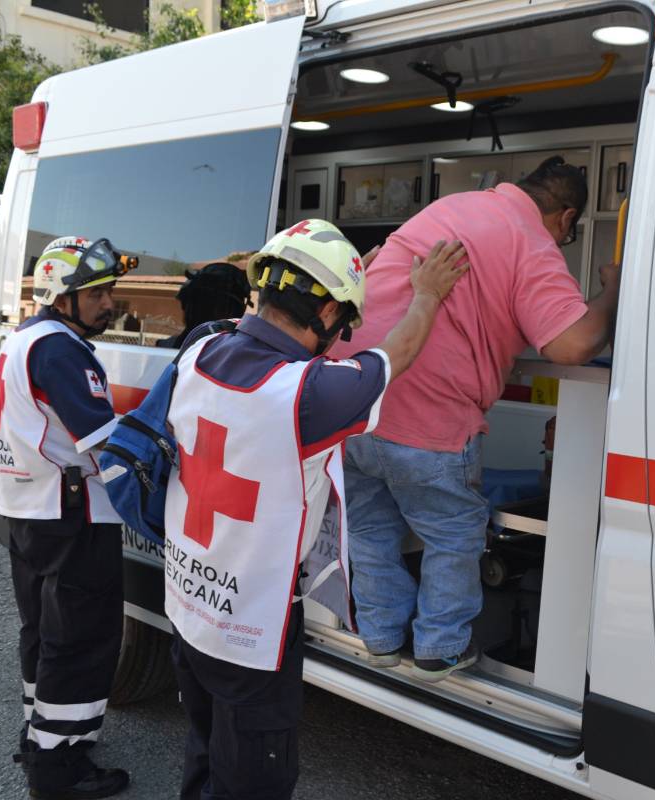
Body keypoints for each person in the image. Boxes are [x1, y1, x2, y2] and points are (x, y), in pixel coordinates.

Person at [163, 219, 467, 800]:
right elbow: (398, 351)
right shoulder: (308, 392)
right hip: (252, 632)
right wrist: (427, 292)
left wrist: (343, 282)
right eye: (341, 320)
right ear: (326, 313)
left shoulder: (201, 348)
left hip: (189, 607)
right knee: (252, 782)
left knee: (205, 754)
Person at [329, 155, 621, 681]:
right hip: (429, 419)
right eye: (568, 234)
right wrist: (612, 291)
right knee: (454, 531)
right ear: (565, 217)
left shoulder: (451, 207)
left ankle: (381, 635)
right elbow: (573, 344)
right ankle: (440, 646)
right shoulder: (529, 239)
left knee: (370, 527)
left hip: (354, 401)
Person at [0, 237, 138, 799]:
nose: (109, 303)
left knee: (42, 630)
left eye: (109, 291)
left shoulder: (23, 338)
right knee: (80, 639)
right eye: (96, 293)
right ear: (61, 295)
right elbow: (105, 442)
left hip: (28, 508)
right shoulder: (61, 350)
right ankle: (59, 767)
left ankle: (38, 735)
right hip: (72, 514)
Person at [156, 261, 253, 349]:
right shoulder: (164, 348)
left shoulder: (244, 355)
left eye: (214, 303)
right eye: (200, 300)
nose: (205, 310)